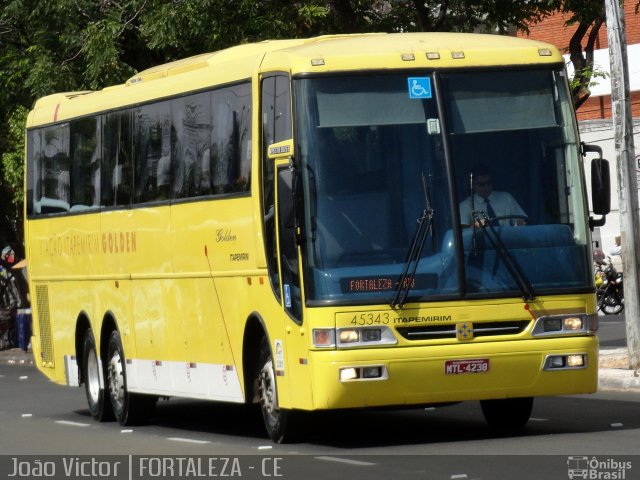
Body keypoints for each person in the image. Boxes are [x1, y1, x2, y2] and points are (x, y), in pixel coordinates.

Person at [459, 164, 527, 227]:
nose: (486, 187)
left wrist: (519, 224)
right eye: (481, 185)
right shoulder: (465, 205)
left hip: (507, 238)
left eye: (489, 183)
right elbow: (463, 229)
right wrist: (478, 225)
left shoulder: (506, 197)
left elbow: (522, 219)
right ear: (473, 186)